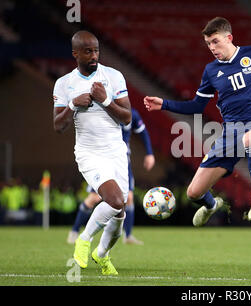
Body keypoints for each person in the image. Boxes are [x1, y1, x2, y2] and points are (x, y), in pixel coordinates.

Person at [144, 17, 251, 226]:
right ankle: (211, 205)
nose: (212, 48)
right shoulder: (211, 71)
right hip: (229, 134)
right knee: (194, 192)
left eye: (215, 41)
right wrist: (164, 104)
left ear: (229, 37)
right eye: (208, 44)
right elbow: (196, 106)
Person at [53, 30, 131, 275]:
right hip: (90, 153)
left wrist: (105, 100)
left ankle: (102, 255)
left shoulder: (114, 77)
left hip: (116, 151)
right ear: (75, 54)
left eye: (96, 50)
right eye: (88, 51)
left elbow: (127, 118)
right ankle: (84, 239)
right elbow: (58, 126)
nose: (94, 55)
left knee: (120, 212)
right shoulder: (64, 84)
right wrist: (72, 104)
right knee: (116, 200)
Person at [67, 107, 155, 245]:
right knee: (94, 198)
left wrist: (149, 153)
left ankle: (128, 236)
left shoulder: (131, 114)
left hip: (123, 160)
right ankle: (75, 231)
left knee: (129, 198)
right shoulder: (102, 111)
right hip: (103, 158)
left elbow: (143, 132)